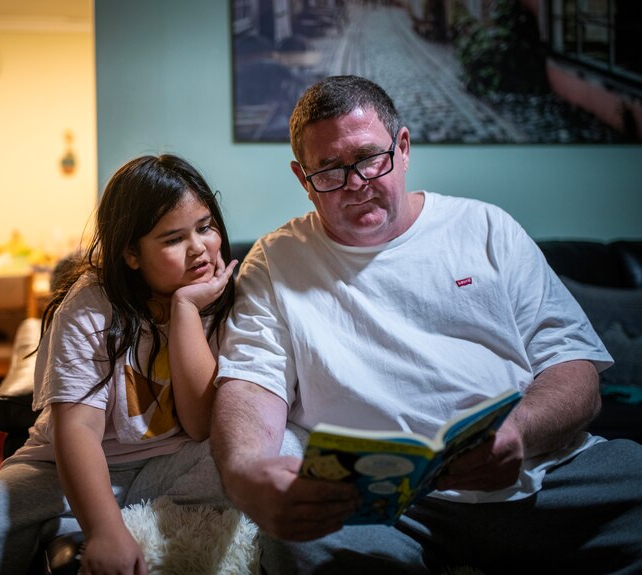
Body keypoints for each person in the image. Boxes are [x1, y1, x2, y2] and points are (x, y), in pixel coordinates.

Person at [211, 75, 642, 574]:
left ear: (404, 147)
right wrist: (245, 474)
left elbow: (575, 371)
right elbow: (249, 383)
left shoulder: (485, 227)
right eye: (328, 169)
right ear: (301, 178)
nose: (355, 183)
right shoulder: (275, 259)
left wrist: (520, 432)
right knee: (301, 545)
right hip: (383, 509)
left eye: (370, 158)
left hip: (545, 473)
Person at [0, 154, 237, 575]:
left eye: (206, 227)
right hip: (68, 470)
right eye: (173, 239)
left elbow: (200, 426)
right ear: (131, 253)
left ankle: (95, 515)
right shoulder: (91, 303)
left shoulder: (219, 293)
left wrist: (186, 312)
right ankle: (78, 514)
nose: (200, 249)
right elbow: (78, 429)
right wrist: (104, 529)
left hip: (172, 467)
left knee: (273, 448)